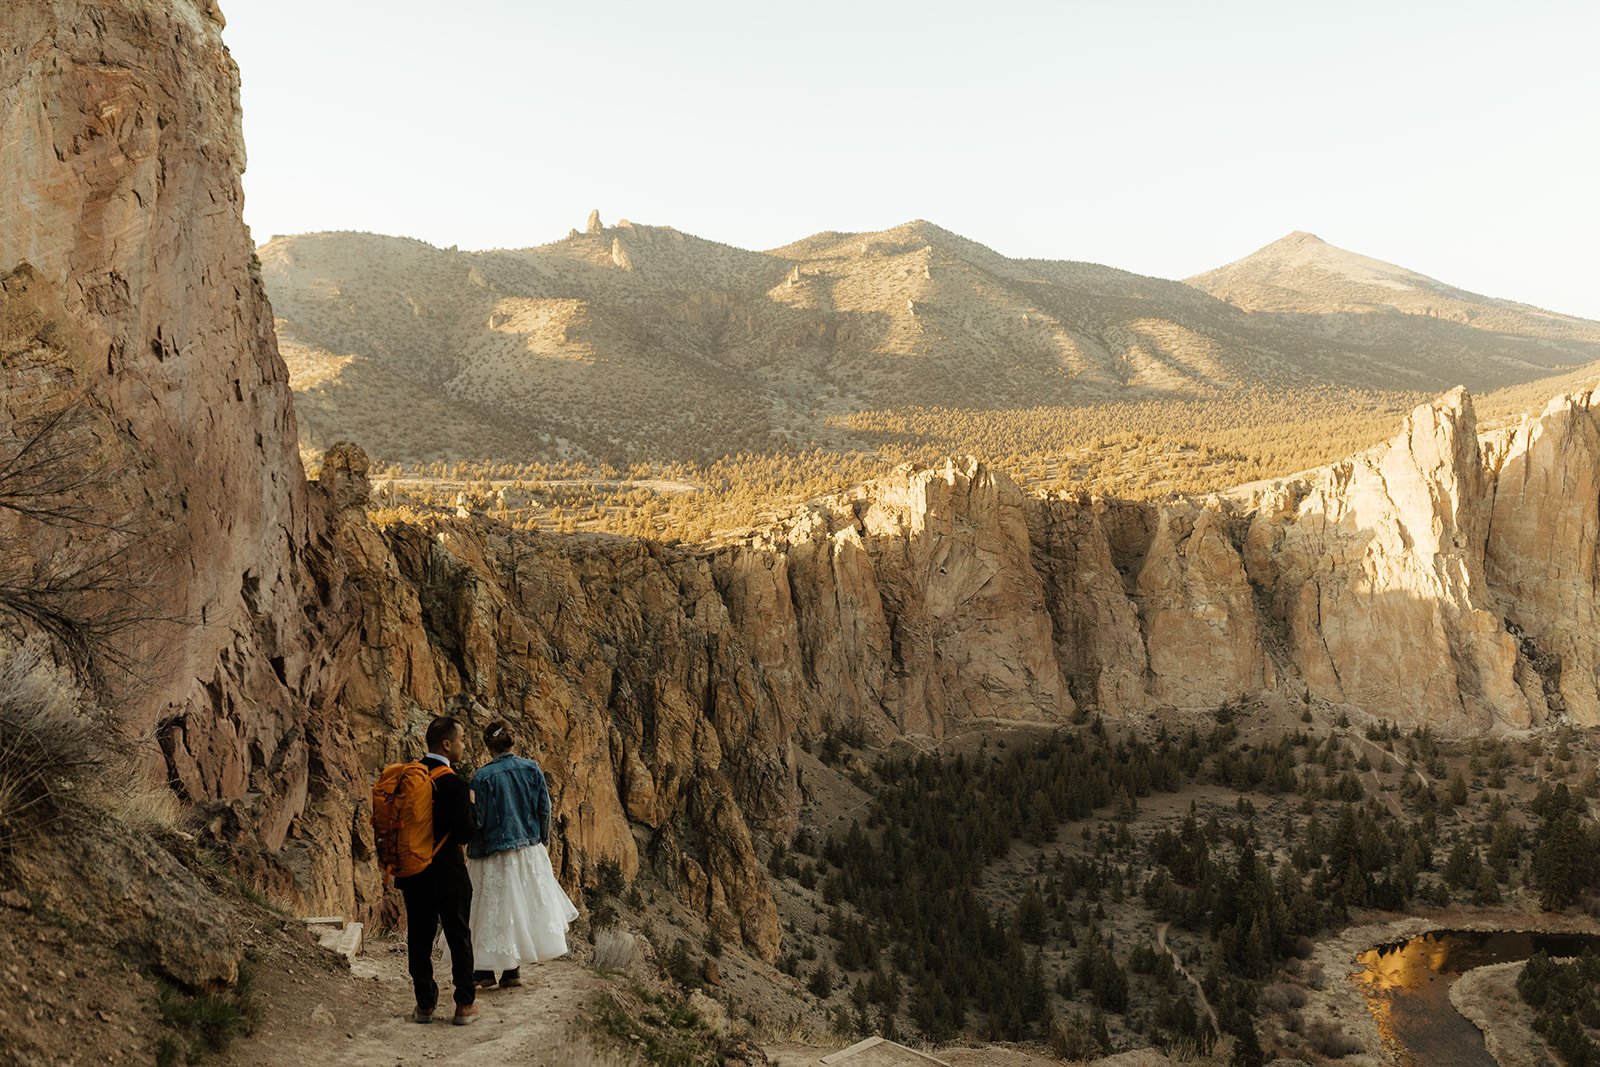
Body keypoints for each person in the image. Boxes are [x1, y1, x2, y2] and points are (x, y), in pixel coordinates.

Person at [467, 720, 579, 988]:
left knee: (492, 911)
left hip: (493, 852)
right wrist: (542, 840)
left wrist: (470, 844)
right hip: (528, 848)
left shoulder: (482, 777)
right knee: (521, 909)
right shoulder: (531, 769)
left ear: (487, 745)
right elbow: (545, 808)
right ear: (512, 741)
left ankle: (485, 971)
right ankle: (511, 972)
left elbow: (478, 819)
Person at [395, 716, 478, 1025]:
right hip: (448, 872)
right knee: (459, 936)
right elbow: (465, 834)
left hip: (413, 872)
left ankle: (425, 1004)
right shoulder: (455, 784)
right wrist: (471, 808)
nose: (463, 745)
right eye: (461, 739)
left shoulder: (407, 777)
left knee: (419, 938)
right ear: (446, 744)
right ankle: (464, 1005)